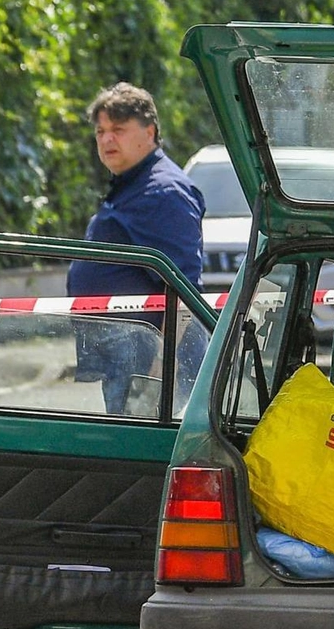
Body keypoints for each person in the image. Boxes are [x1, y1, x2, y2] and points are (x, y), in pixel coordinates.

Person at [65, 82, 206, 414]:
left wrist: (162, 364)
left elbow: (185, 290)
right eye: (100, 131)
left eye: (118, 129)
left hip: (152, 365)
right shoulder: (134, 185)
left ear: (150, 132)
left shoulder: (164, 192)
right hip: (130, 357)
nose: (106, 139)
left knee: (142, 459)